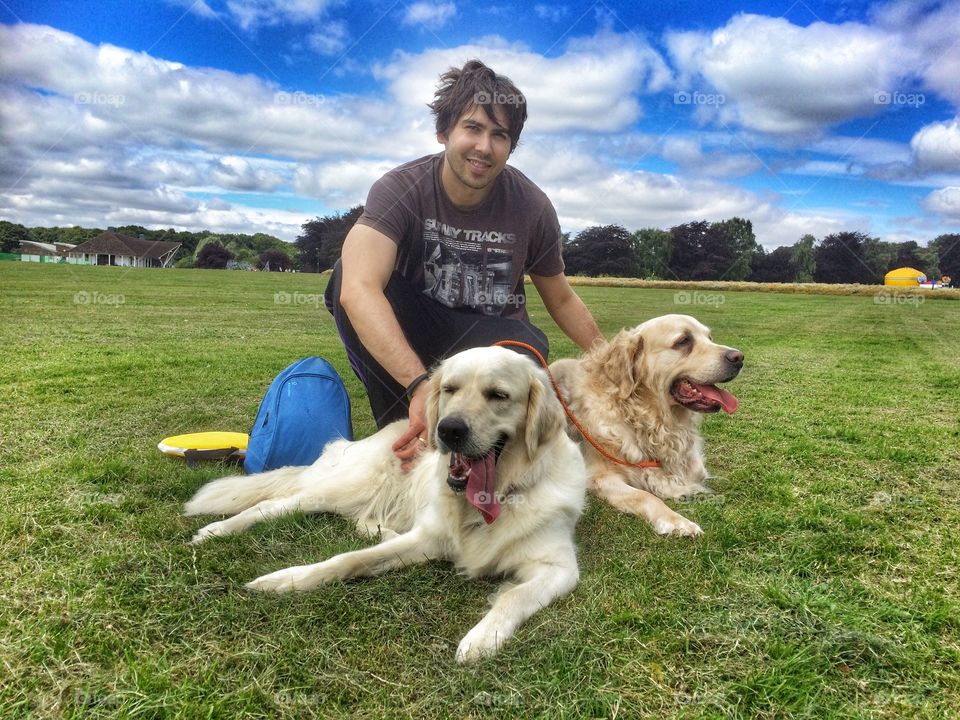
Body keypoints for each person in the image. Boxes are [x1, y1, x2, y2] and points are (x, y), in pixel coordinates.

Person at [325, 59, 603, 466]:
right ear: (444, 132)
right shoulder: (400, 188)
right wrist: (421, 385)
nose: (484, 147)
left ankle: (494, 442)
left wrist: (612, 361)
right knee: (344, 276)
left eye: (499, 135)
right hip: (424, 331)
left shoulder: (532, 205)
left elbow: (560, 299)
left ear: (510, 146)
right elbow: (358, 289)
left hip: (500, 336)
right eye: (472, 128)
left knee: (522, 353)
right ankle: (405, 422)